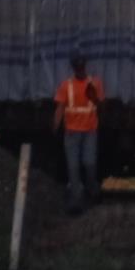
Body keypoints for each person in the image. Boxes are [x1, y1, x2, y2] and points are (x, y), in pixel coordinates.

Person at [53, 56, 104, 214]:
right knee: (73, 167)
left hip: (89, 131)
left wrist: (94, 97)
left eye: (82, 67)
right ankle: (76, 200)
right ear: (74, 68)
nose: (80, 70)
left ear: (85, 67)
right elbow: (60, 108)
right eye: (78, 68)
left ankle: (92, 189)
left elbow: (101, 105)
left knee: (89, 163)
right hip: (72, 132)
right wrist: (55, 126)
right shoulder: (66, 86)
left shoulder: (94, 83)